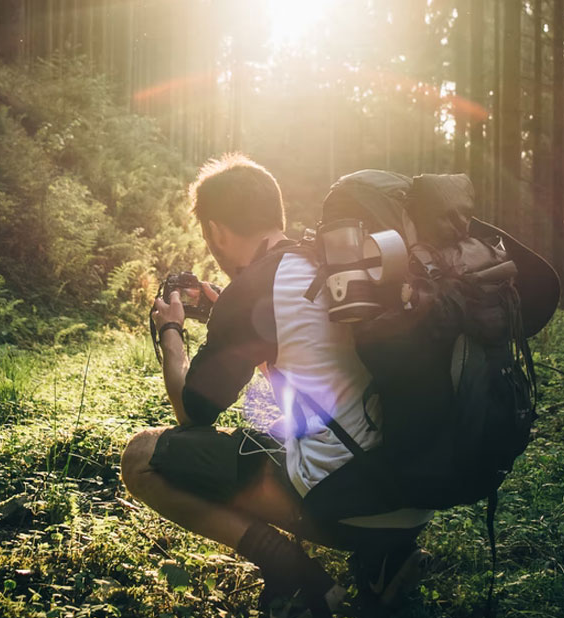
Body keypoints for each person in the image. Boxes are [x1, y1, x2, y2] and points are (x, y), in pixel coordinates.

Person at [120, 153, 432, 617]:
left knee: (142, 459)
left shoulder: (254, 290)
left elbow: (191, 413)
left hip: (344, 501)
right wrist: (229, 307)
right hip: (414, 496)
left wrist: (172, 332)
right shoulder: (325, 262)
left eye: (210, 237)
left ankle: (290, 570)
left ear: (216, 231)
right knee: (295, 427)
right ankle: (384, 561)